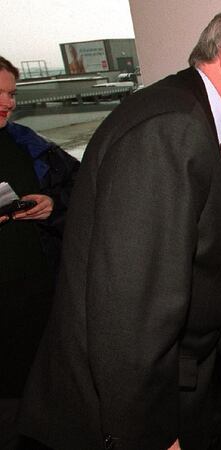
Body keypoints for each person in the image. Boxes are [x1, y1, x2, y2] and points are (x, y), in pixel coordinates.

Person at [18, 4, 221, 449]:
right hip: (138, 404)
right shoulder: (170, 129)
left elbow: (219, 196)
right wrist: (149, 434)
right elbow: (130, 309)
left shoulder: (188, 114)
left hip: (184, 377)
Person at [0, 56, 80, 450]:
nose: (8, 102)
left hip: (38, 295)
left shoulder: (26, 142)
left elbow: (81, 185)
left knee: (41, 399)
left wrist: (51, 203)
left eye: (11, 93)